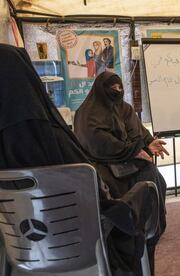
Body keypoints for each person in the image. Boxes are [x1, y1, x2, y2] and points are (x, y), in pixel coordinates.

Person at [0, 44, 156, 275]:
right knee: (146, 188)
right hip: (82, 242)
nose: (117, 89)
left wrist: (140, 145)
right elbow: (87, 180)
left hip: (22, 252)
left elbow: (136, 132)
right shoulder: (48, 133)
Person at [74, 71, 169, 275]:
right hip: (104, 169)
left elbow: (139, 134)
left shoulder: (124, 108)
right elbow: (96, 142)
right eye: (113, 88)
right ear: (100, 89)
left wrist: (148, 142)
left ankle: (149, 234)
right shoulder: (87, 113)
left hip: (134, 166)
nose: (117, 92)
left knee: (155, 181)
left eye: (120, 88)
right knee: (119, 221)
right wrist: (132, 150)